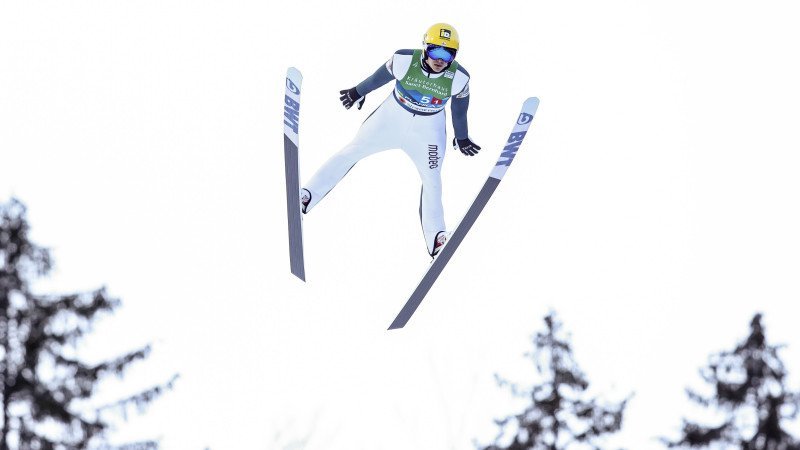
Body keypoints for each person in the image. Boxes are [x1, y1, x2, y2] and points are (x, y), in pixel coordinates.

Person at [300, 23, 480, 258]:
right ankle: (307, 194)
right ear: (425, 48)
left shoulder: (459, 77)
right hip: (391, 118)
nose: (440, 60)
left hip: (428, 131)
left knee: (433, 179)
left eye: (448, 54)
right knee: (351, 151)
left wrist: (462, 137)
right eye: (436, 51)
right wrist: (357, 92)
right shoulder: (404, 60)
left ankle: (437, 238)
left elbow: (459, 109)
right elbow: (378, 78)